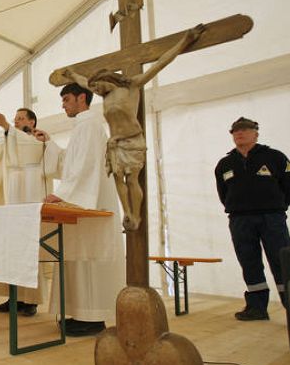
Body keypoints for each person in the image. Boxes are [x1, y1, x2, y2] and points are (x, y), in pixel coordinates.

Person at [62, 24, 204, 230]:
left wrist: (185, 41)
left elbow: (161, 63)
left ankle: (135, 215)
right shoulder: (105, 94)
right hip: (115, 143)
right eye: (94, 88)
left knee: (132, 179)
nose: (95, 90)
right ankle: (127, 214)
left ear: (106, 79)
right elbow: (85, 83)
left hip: (132, 140)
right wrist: (73, 75)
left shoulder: (131, 85)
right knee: (118, 178)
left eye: (97, 86)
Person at [35, 83, 125, 336]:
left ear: (82, 98)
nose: (63, 104)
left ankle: (93, 319)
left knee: (90, 260)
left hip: (91, 203)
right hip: (84, 200)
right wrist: (50, 144)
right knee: (79, 259)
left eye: (66, 99)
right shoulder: (82, 127)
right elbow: (69, 163)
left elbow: (85, 166)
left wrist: (62, 194)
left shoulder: (89, 125)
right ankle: (82, 314)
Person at [0, 108, 60, 316]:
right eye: (15, 119)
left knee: (31, 248)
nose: (17, 122)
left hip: (32, 192)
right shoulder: (10, 140)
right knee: (12, 247)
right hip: (12, 195)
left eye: (21, 118)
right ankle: (14, 296)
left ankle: (30, 300)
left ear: (33, 122)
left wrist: (6, 126)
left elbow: (37, 151)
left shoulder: (40, 139)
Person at [215, 117, 290, 320]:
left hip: (272, 218)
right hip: (240, 220)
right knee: (249, 262)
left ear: (256, 133)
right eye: (235, 131)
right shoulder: (225, 164)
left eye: (244, 130)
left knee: (281, 261)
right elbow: (223, 194)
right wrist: (238, 209)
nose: (239, 133)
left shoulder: (275, 157)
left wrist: (276, 207)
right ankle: (256, 308)